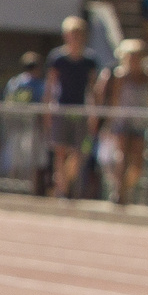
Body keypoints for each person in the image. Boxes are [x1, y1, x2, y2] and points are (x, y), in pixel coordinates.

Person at [97, 38, 148, 205]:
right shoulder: (119, 76)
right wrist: (110, 123)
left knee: (138, 162)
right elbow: (115, 100)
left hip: (140, 122)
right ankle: (119, 193)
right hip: (122, 121)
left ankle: (123, 187)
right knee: (122, 156)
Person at [46, 16, 102, 198]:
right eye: (72, 34)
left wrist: (94, 113)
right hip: (61, 109)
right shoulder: (58, 58)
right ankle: (61, 189)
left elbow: (92, 89)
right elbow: (51, 86)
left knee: (80, 151)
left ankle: (63, 183)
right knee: (60, 151)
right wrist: (48, 109)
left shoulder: (90, 60)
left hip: (81, 111)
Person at [1, 52, 46, 190]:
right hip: (32, 127)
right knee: (32, 160)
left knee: (15, 158)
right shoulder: (38, 84)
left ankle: (11, 186)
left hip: (15, 126)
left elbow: (7, 103)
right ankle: (30, 189)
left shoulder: (14, 83)